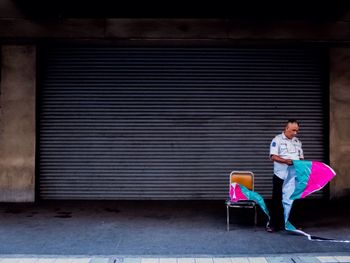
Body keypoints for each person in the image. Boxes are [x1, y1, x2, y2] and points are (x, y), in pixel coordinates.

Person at [267, 119, 304, 232]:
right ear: (286, 128)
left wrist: (302, 165)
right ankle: (273, 225)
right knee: (277, 200)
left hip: (294, 176)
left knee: (293, 199)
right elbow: (273, 156)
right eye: (293, 130)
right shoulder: (277, 140)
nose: (295, 133)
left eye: (297, 131)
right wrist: (285, 161)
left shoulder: (297, 141)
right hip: (281, 176)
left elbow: (301, 158)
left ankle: (289, 223)